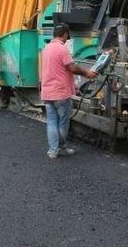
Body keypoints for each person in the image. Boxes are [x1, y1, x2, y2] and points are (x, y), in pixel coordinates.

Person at [40, 24, 98, 159]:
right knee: (62, 122)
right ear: (65, 34)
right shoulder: (62, 48)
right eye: (68, 36)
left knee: (52, 122)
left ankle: (52, 151)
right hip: (60, 92)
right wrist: (87, 73)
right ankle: (61, 147)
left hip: (47, 92)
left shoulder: (47, 48)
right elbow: (72, 68)